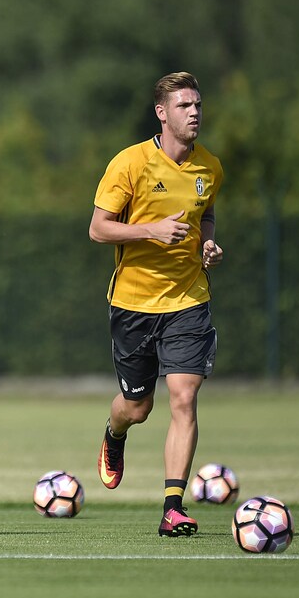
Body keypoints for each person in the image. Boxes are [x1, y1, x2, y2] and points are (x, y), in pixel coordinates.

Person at [89, 71, 224, 537]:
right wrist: (151, 230)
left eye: (198, 104)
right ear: (162, 113)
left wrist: (208, 244)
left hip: (189, 300)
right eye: (185, 106)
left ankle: (172, 507)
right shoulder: (130, 163)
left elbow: (207, 213)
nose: (194, 113)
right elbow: (98, 229)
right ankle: (115, 433)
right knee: (138, 406)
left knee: (184, 398)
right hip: (133, 304)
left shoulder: (210, 167)